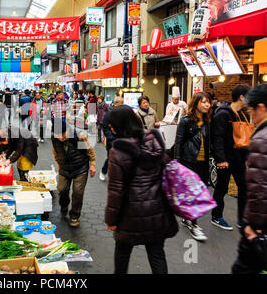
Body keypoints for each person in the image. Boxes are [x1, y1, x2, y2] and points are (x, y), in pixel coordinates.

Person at [105, 105, 178, 274]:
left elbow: (116, 190)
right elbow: (167, 169)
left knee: (122, 252)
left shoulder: (118, 151)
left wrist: (111, 219)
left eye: (112, 124)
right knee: (157, 254)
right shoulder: (153, 140)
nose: (110, 127)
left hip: (130, 213)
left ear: (120, 125)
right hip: (157, 209)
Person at [232, 84, 267, 274]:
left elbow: (258, 187)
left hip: (259, 225)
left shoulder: (261, 139)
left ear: (261, 108)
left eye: (252, 110)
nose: (251, 116)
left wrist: (253, 226)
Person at [211, 84, 251, 230]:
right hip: (226, 159)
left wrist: (246, 158)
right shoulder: (223, 114)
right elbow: (217, 138)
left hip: (239, 158)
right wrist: (220, 159)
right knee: (222, 187)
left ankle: (242, 219)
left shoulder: (243, 114)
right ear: (242, 97)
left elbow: (245, 139)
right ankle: (216, 216)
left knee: (244, 186)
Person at [174, 92, 212, 241]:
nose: (207, 105)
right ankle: (194, 225)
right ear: (195, 103)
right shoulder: (185, 121)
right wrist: (177, 163)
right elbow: (178, 142)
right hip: (189, 161)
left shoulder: (208, 121)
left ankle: (187, 218)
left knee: (200, 192)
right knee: (194, 193)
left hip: (203, 162)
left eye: (208, 102)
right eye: (203, 102)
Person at [52, 120, 96, 227]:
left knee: (78, 192)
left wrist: (93, 164)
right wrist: (58, 163)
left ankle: (74, 216)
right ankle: (64, 206)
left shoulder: (79, 135)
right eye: (58, 135)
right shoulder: (55, 138)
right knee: (62, 190)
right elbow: (55, 151)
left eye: (63, 134)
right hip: (64, 167)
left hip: (80, 167)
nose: (61, 137)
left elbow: (89, 149)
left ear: (67, 129)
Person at [99, 95, 123, 181]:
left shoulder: (122, 113)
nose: (123, 105)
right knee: (111, 158)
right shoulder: (108, 114)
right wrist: (112, 138)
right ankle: (103, 171)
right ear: (116, 103)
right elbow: (105, 129)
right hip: (111, 141)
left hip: (121, 140)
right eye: (121, 103)